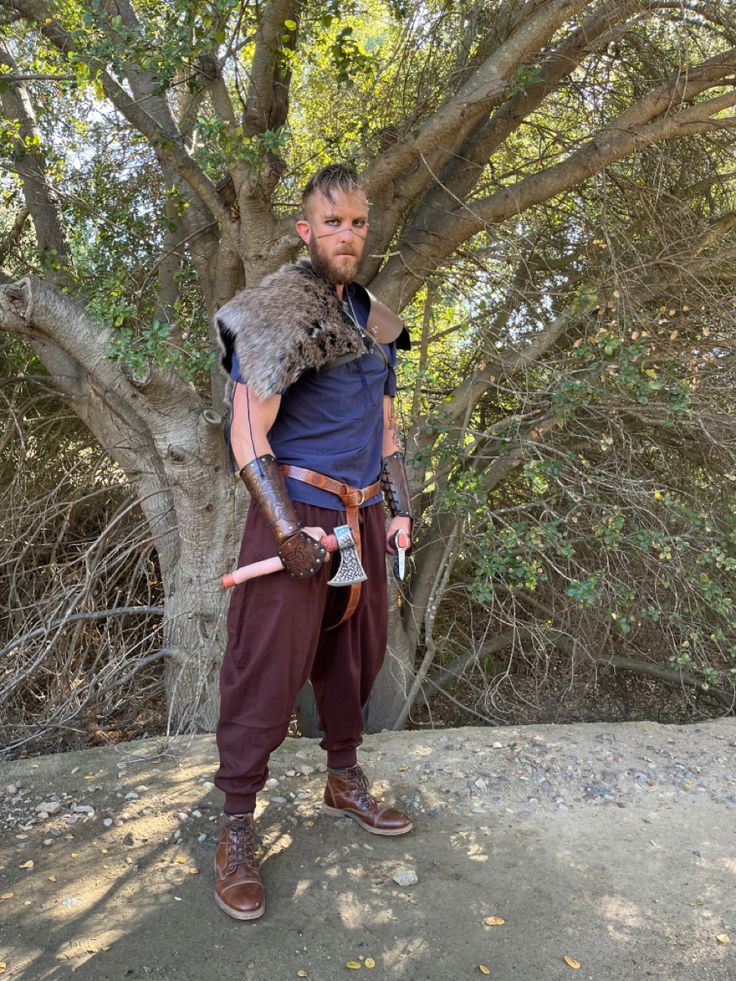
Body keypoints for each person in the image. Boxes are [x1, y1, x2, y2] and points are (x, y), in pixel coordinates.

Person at [213, 164, 414, 921]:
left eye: (358, 222)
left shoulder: (371, 317)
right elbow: (246, 430)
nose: (347, 234)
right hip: (294, 511)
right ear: (307, 230)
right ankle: (236, 825)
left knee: (352, 659)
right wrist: (286, 528)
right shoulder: (279, 311)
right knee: (265, 666)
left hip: (362, 515)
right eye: (333, 222)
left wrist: (399, 508)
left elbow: (386, 429)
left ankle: (343, 778)